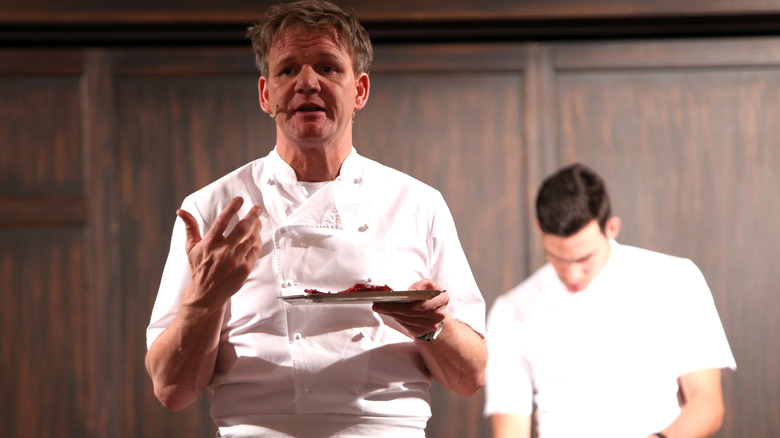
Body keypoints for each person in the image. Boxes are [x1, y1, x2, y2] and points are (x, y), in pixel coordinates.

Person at [144, 1, 487, 437]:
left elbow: (470, 377)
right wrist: (204, 299)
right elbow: (170, 389)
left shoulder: (419, 204)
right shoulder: (211, 209)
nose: (307, 82)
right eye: (287, 70)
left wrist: (434, 328)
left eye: (327, 67)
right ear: (266, 95)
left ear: (359, 90)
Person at [483, 163, 736, 438]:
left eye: (584, 258)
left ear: (612, 227)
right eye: (558, 258)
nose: (572, 274)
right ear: (539, 228)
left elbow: (707, 404)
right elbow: (510, 430)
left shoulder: (676, 279)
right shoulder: (511, 311)